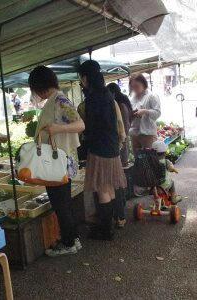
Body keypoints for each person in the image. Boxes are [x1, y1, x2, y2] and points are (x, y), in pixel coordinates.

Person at [28, 66, 85, 257]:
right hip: (59, 162)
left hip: (57, 163)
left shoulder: (59, 100)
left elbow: (80, 125)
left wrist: (56, 129)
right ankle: (73, 239)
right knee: (64, 203)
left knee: (61, 205)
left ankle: (68, 243)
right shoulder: (55, 100)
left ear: (40, 86)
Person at [79, 60, 126, 240]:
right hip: (111, 146)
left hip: (100, 147)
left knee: (102, 188)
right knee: (110, 187)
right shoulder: (106, 94)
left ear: (85, 78)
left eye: (81, 78)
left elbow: (91, 126)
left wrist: (85, 137)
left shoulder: (93, 98)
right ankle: (109, 226)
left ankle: (105, 230)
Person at [107, 82, 132, 228]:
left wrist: (120, 143)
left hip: (117, 148)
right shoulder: (122, 103)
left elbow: (122, 127)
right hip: (119, 146)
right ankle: (120, 215)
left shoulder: (117, 104)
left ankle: (120, 215)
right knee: (118, 181)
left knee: (117, 182)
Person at [129, 74, 161, 155]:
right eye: (132, 87)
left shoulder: (151, 96)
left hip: (148, 134)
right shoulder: (132, 99)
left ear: (143, 84)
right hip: (134, 133)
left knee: (149, 159)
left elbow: (157, 113)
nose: (134, 89)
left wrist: (145, 111)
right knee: (138, 160)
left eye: (137, 86)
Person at [107, 82, 133, 166]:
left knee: (122, 161)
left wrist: (121, 138)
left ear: (113, 93)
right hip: (123, 136)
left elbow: (123, 124)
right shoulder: (123, 102)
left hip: (122, 137)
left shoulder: (121, 105)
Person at [151, 140, 182, 204]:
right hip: (163, 185)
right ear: (165, 153)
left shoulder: (150, 162)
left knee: (155, 186)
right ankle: (173, 198)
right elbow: (171, 169)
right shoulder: (166, 161)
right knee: (171, 182)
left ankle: (157, 201)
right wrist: (174, 170)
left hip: (152, 186)